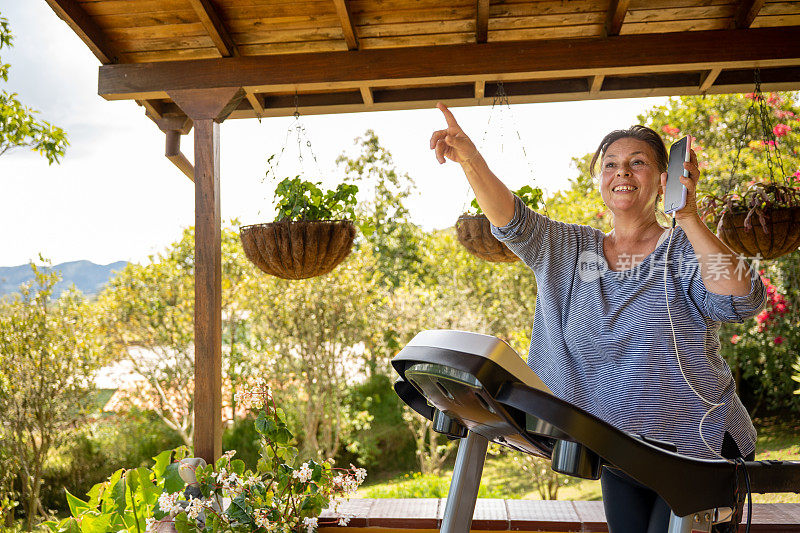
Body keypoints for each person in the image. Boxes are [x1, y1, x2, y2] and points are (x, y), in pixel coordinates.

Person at [430, 102, 765, 532]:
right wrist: (470, 159)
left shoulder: (684, 250)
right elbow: (511, 220)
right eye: (611, 165)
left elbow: (744, 298)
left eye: (637, 163)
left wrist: (689, 217)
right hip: (621, 450)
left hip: (699, 449)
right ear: (600, 180)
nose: (622, 173)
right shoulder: (568, 249)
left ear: (665, 179)